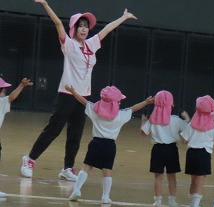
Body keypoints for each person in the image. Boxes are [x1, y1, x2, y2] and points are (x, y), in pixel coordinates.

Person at [21, 3, 137, 181]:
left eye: (86, 26)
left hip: (83, 97)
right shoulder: (68, 44)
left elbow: (107, 29)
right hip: (66, 94)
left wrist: (124, 17)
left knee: (75, 134)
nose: (84, 29)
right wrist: (45, 4)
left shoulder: (91, 44)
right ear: (73, 29)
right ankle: (29, 159)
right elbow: (58, 23)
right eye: (80, 26)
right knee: (53, 130)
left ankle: (67, 168)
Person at [64, 84, 153, 203]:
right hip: (110, 146)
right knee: (107, 171)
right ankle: (105, 197)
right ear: (115, 103)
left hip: (95, 143)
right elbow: (133, 108)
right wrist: (146, 102)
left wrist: (73, 91)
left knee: (86, 167)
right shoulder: (120, 115)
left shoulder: (95, 111)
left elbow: (83, 101)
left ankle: (76, 190)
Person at [140, 90, 189, 207]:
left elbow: (143, 133)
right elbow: (188, 128)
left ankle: (158, 201)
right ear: (171, 105)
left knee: (158, 177)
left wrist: (143, 122)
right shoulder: (175, 120)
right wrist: (187, 118)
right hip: (172, 150)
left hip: (157, 149)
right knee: (172, 176)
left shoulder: (152, 120)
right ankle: (172, 200)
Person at [181, 95, 214, 207]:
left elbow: (184, 140)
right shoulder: (212, 127)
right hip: (204, 154)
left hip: (191, 153)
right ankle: (195, 206)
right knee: (200, 181)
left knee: (193, 180)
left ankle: (191, 204)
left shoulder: (191, 125)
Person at [0, 77, 33, 198]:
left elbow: (11, 97)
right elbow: (12, 97)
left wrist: (22, 85)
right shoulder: (2, 102)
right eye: (3, 90)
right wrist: (22, 85)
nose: (5, 92)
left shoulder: (2, 101)